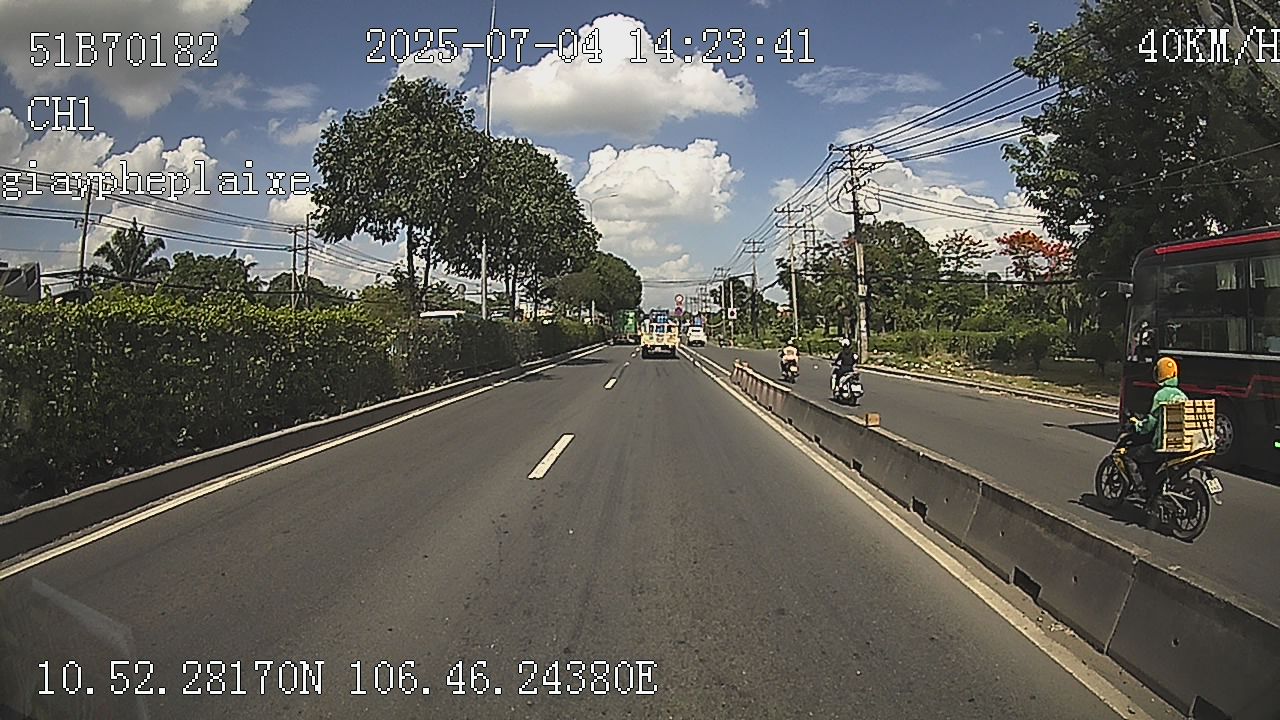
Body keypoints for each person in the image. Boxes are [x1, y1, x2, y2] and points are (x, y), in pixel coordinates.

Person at [1125, 356, 1189, 517]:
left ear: (1159, 374)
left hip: (1162, 445)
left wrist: (1138, 425)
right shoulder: (1182, 396)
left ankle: (1140, 491)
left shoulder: (1161, 395)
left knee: (1130, 456)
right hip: (1182, 445)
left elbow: (1150, 425)